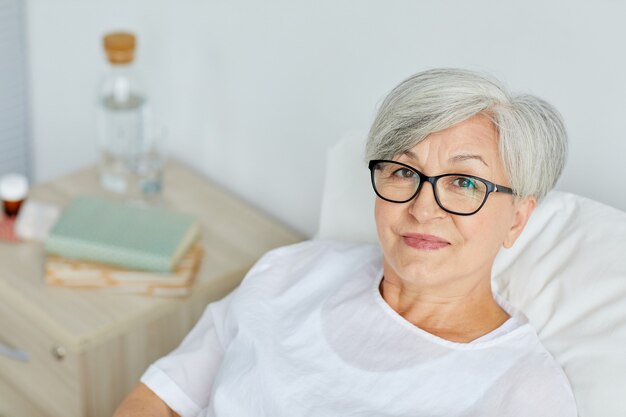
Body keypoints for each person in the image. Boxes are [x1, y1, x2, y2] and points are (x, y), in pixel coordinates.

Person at [113, 68, 577, 417]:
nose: (423, 208)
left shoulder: (524, 392)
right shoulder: (291, 273)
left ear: (517, 219)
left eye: (464, 183)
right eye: (402, 171)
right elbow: (158, 399)